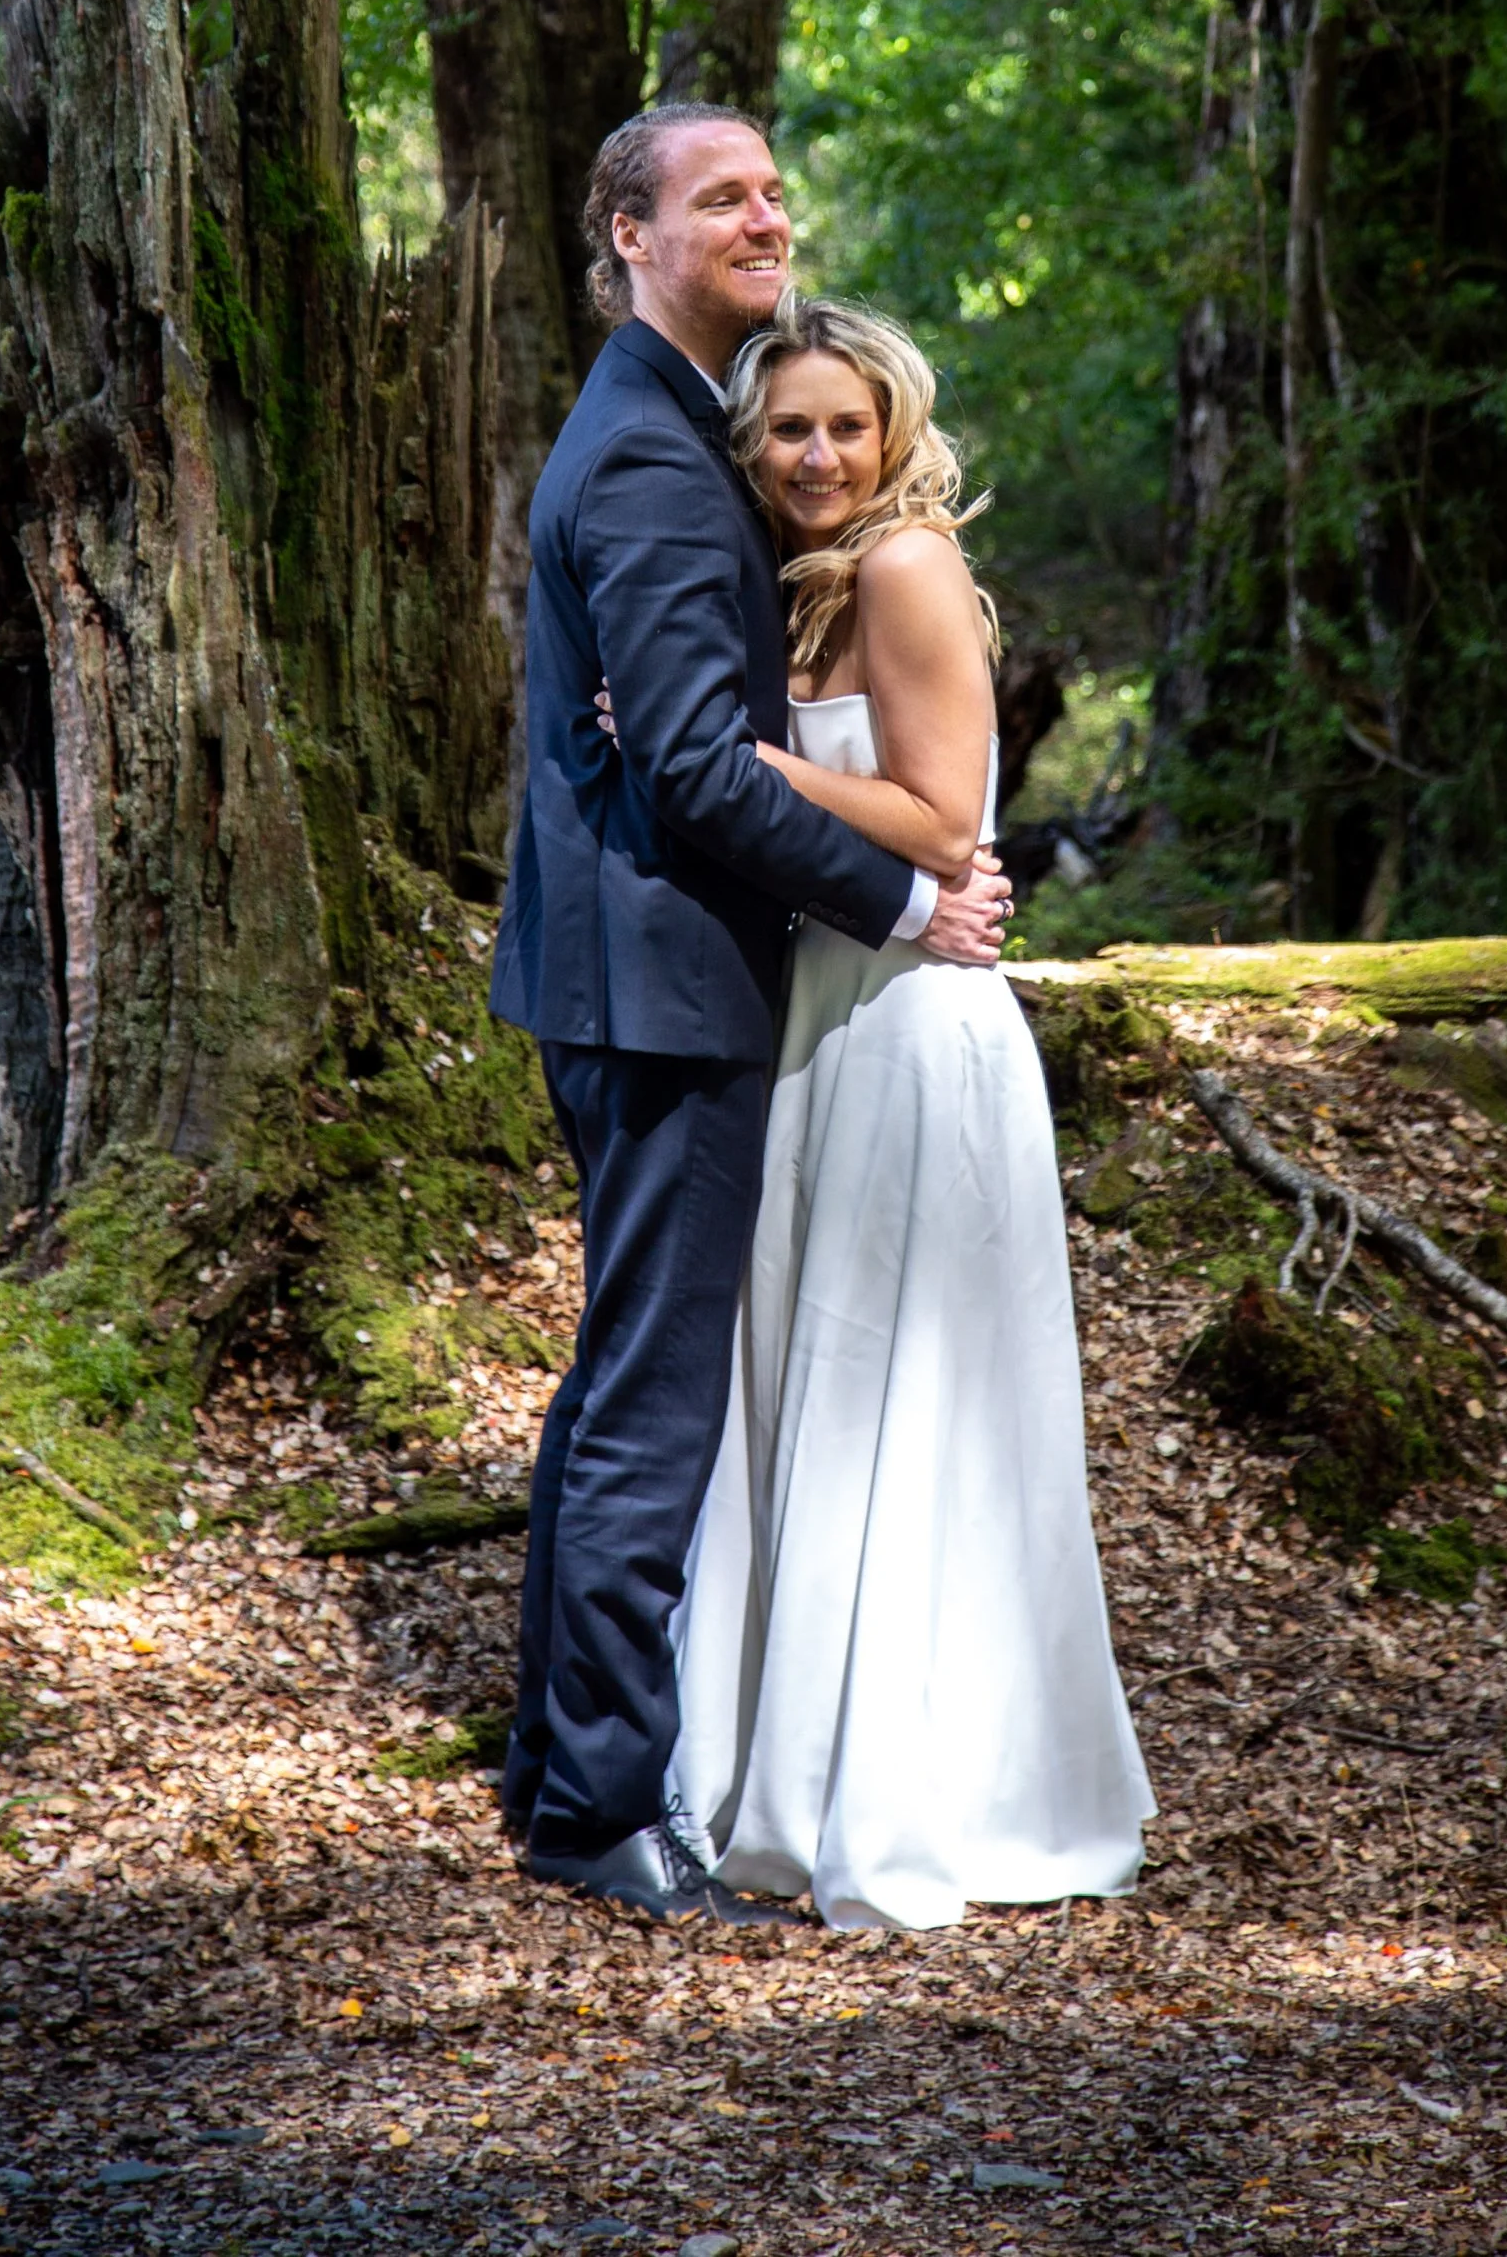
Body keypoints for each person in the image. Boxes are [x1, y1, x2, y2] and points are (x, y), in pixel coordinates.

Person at [490, 107, 1012, 1923]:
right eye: (723, 197)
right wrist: (905, 897)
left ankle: (560, 1762)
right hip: (660, 984)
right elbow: (703, 771)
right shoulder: (643, 456)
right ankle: (604, 1808)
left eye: (776, 190)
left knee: (619, 1379)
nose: (765, 214)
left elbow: (699, 743)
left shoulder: (668, 433)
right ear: (629, 233)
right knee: (649, 1402)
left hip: (652, 975)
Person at [668, 298, 1154, 1928]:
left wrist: (738, 761)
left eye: (844, 427)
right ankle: (786, 1766)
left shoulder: (903, 566)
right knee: (826, 1386)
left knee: (905, 1396)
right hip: (823, 1010)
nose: (816, 455)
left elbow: (948, 822)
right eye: (787, 428)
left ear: (894, 432)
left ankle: (922, 1788)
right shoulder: (791, 583)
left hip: (911, 1021)